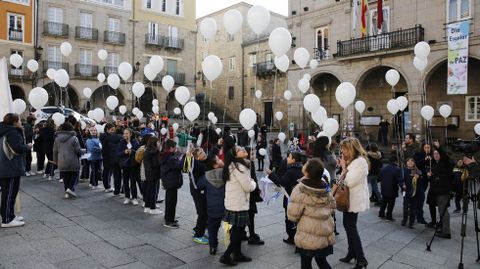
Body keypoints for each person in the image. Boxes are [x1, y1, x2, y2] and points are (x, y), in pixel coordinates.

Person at [288, 158, 336, 269]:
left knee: (306, 262)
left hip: (307, 233)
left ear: (307, 171)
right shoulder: (325, 186)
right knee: (322, 261)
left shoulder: (300, 188)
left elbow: (293, 215)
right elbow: (333, 207)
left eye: (306, 164)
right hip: (324, 231)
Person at [219, 146, 257, 266]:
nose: (243, 149)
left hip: (233, 202)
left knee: (236, 230)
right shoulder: (240, 167)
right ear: (236, 155)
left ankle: (237, 254)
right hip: (239, 203)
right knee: (238, 232)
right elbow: (248, 187)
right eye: (239, 150)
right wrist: (254, 183)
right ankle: (226, 255)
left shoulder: (233, 165)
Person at [338, 137, 369, 269]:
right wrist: (344, 168)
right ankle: (352, 252)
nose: (343, 152)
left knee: (351, 227)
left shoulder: (360, 162)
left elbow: (349, 181)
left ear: (352, 149)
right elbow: (342, 180)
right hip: (348, 199)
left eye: (344, 149)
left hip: (354, 200)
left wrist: (344, 168)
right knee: (347, 225)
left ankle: (361, 259)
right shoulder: (352, 161)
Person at [267, 151, 306, 245]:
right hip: (300, 198)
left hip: (290, 198)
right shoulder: (302, 169)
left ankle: (291, 237)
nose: (287, 159)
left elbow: (282, 182)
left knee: (289, 218)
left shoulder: (291, 171)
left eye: (289, 157)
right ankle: (297, 236)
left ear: (294, 160)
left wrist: (271, 174)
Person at [0, 113, 32, 228]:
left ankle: (9, 215)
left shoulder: (3, 129)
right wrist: (27, 147)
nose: (20, 122)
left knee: (7, 193)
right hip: (10, 167)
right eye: (18, 120)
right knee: (9, 193)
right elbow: (17, 148)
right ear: (14, 122)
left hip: (4, 166)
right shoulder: (12, 132)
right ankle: (7, 219)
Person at [197, 155, 225, 255]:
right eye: (218, 160)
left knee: (212, 227)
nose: (221, 160)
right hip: (226, 206)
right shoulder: (227, 173)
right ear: (215, 165)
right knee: (230, 227)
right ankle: (232, 246)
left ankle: (213, 246)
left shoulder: (206, 176)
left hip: (212, 206)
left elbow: (198, 185)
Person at [427, 141, 454, 239]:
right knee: (441, 210)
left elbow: (445, 157)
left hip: (443, 191)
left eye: (438, 153)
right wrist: (430, 176)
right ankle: (442, 227)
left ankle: (446, 232)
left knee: (443, 211)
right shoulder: (434, 164)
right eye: (434, 154)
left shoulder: (445, 163)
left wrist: (439, 147)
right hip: (436, 191)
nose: (436, 155)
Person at [53, 122, 84, 199]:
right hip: (72, 160)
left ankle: (67, 192)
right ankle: (70, 189)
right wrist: (83, 152)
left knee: (65, 176)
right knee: (74, 174)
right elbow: (78, 150)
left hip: (62, 160)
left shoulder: (57, 138)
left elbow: (55, 151)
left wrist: (55, 161)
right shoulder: (74, 138)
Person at [160, 139, 183, 228]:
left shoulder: (167, 156)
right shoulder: (169, 158)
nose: (176, 148)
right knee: (171, 202)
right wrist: (184, 157)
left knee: (170, 201)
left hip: (170, 182)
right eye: (175, 147)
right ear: (170, 148)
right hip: (171, 182)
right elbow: (178, 166)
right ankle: (169, 221)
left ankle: (169, 217)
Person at [188, 147, 209, 244]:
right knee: (202, 213)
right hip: (197, 191)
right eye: (200, 153)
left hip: (200, 190)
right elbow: (207, 168)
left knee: (203, 211)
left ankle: (197, 229)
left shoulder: (200, 162)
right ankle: (198, 235)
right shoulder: (197, 164)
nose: (203, 153)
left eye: (203, 151)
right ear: (196, 157)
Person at [244, 146, 264, 245]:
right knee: (250, 215)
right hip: (249, 195)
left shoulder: (249, 163)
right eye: (252, 153)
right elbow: (251, 180)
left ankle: (247, 233)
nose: (254, 155)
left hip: (250, 194)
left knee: (248, 215)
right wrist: (256, 189)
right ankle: (251, 235)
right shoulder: (248, 164)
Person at [118, 128, 140, 205]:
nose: (125, 135)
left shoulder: (135, 142)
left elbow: (138, 152)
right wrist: (124, 151)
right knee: (125, 181)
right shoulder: (121, 142)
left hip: (133, 164)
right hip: (125, 164)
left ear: (130, 134)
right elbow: (118, 153)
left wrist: (132, 151)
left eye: (126, 133)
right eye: (124, 133)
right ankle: (127, 197)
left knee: (133, 181)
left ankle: (134, 197)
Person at [378, 156, 403, 221]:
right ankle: (389, 216)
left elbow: (380, 177)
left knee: (384, 201)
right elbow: (400, 180)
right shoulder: (397, 169)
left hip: (384, 187)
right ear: (396, 161)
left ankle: (381, 213)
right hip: (392, 188)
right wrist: (402, 187)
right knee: (391, 203)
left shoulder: (383, 168)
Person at [413, 142, 432, 224]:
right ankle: (419, 216)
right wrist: (424, 160)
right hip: (419, 179)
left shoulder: (432, 155)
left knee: (420, 197)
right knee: (421, 198)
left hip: (426, 180)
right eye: (425, 147)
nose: (427, 149)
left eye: (428, 147)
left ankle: (416, 212)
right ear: (423, 147)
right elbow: (416, 164)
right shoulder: (418, 154)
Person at [143, 136, 162, 215]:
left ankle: (147, 207)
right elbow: (156, 164)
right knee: (153, 191)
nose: (159, 143)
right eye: (158, 142)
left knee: (148, 190)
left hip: (148, 173)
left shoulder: (147, 150)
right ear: (154, 143)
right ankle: (152, 208)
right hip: (154, 173)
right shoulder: (155, 152)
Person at [103, 124, 123, 195]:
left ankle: (114, 190)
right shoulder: (120, 138)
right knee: (120, 175)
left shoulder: (107, 138)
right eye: (112, 130)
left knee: (114, 175)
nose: (113, 131)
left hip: (111, 159)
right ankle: (120, 190)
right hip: (117, 159)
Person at [401, 158, 421, 228]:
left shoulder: (417, 171)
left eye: (412, 161)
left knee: (413, 208)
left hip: (414, 192)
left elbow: (421, 181)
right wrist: (402, 185)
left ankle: (411, 222)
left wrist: (419, 178)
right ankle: (404, 220)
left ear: (414, 163)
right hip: (406, 191)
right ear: (406, 163)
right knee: (405, 207)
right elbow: (401, 180)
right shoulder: (403, 170)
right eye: (408, 161)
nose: (410, 162)